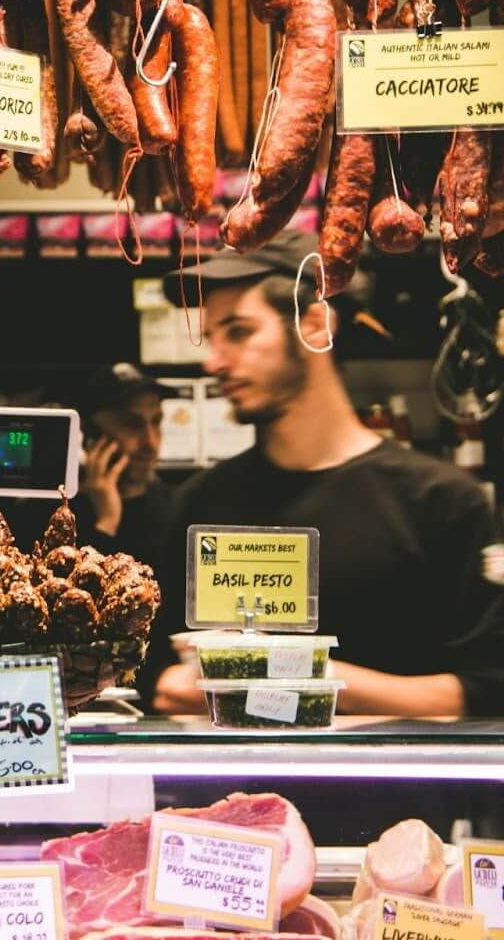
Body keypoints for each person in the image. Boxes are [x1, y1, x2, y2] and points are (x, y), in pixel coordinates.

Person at [148, 230, 504, 717]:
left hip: (392, 792)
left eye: (239, 331)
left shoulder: (441, 502)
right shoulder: (197, 505)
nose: (214, 361)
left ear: (315, 325)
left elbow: (484, 693)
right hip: (230, 793)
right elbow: (162, 684)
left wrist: (305, 676)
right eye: (212, 338)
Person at [72, 363, 175, 561]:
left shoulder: (178, 508)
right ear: (91, 436)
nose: (150, 442)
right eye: (131, 424)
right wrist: (107, 522)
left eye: (156, 421)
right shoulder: (62, 517)